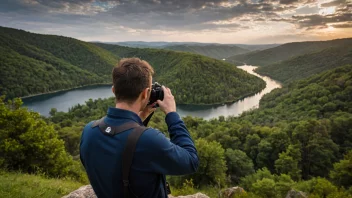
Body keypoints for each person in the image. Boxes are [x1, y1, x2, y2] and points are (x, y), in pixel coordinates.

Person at [80, 58, 199, 198]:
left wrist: (140, 118)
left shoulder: (89, 131)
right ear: (145, 93)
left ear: (114, 90)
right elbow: (191, 161)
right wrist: (172, 114)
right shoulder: (148, 140)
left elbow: (119, 154)